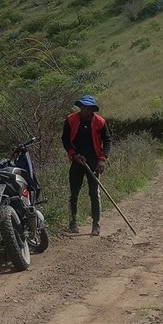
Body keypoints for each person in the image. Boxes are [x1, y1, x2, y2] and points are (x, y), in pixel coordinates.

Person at [62, 95, 111, 236]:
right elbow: (65, 139)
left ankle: (96, 225)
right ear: (80, 107)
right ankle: (72, 222)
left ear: (93, 109)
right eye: (83, 107)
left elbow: (107, 141)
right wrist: (73, 154)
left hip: (94, 161)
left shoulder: (100, 122)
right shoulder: (71, 119)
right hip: (77, 160)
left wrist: (102, 160)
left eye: (88, 108)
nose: (85, 110)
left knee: (94, 193)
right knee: (74, 193)